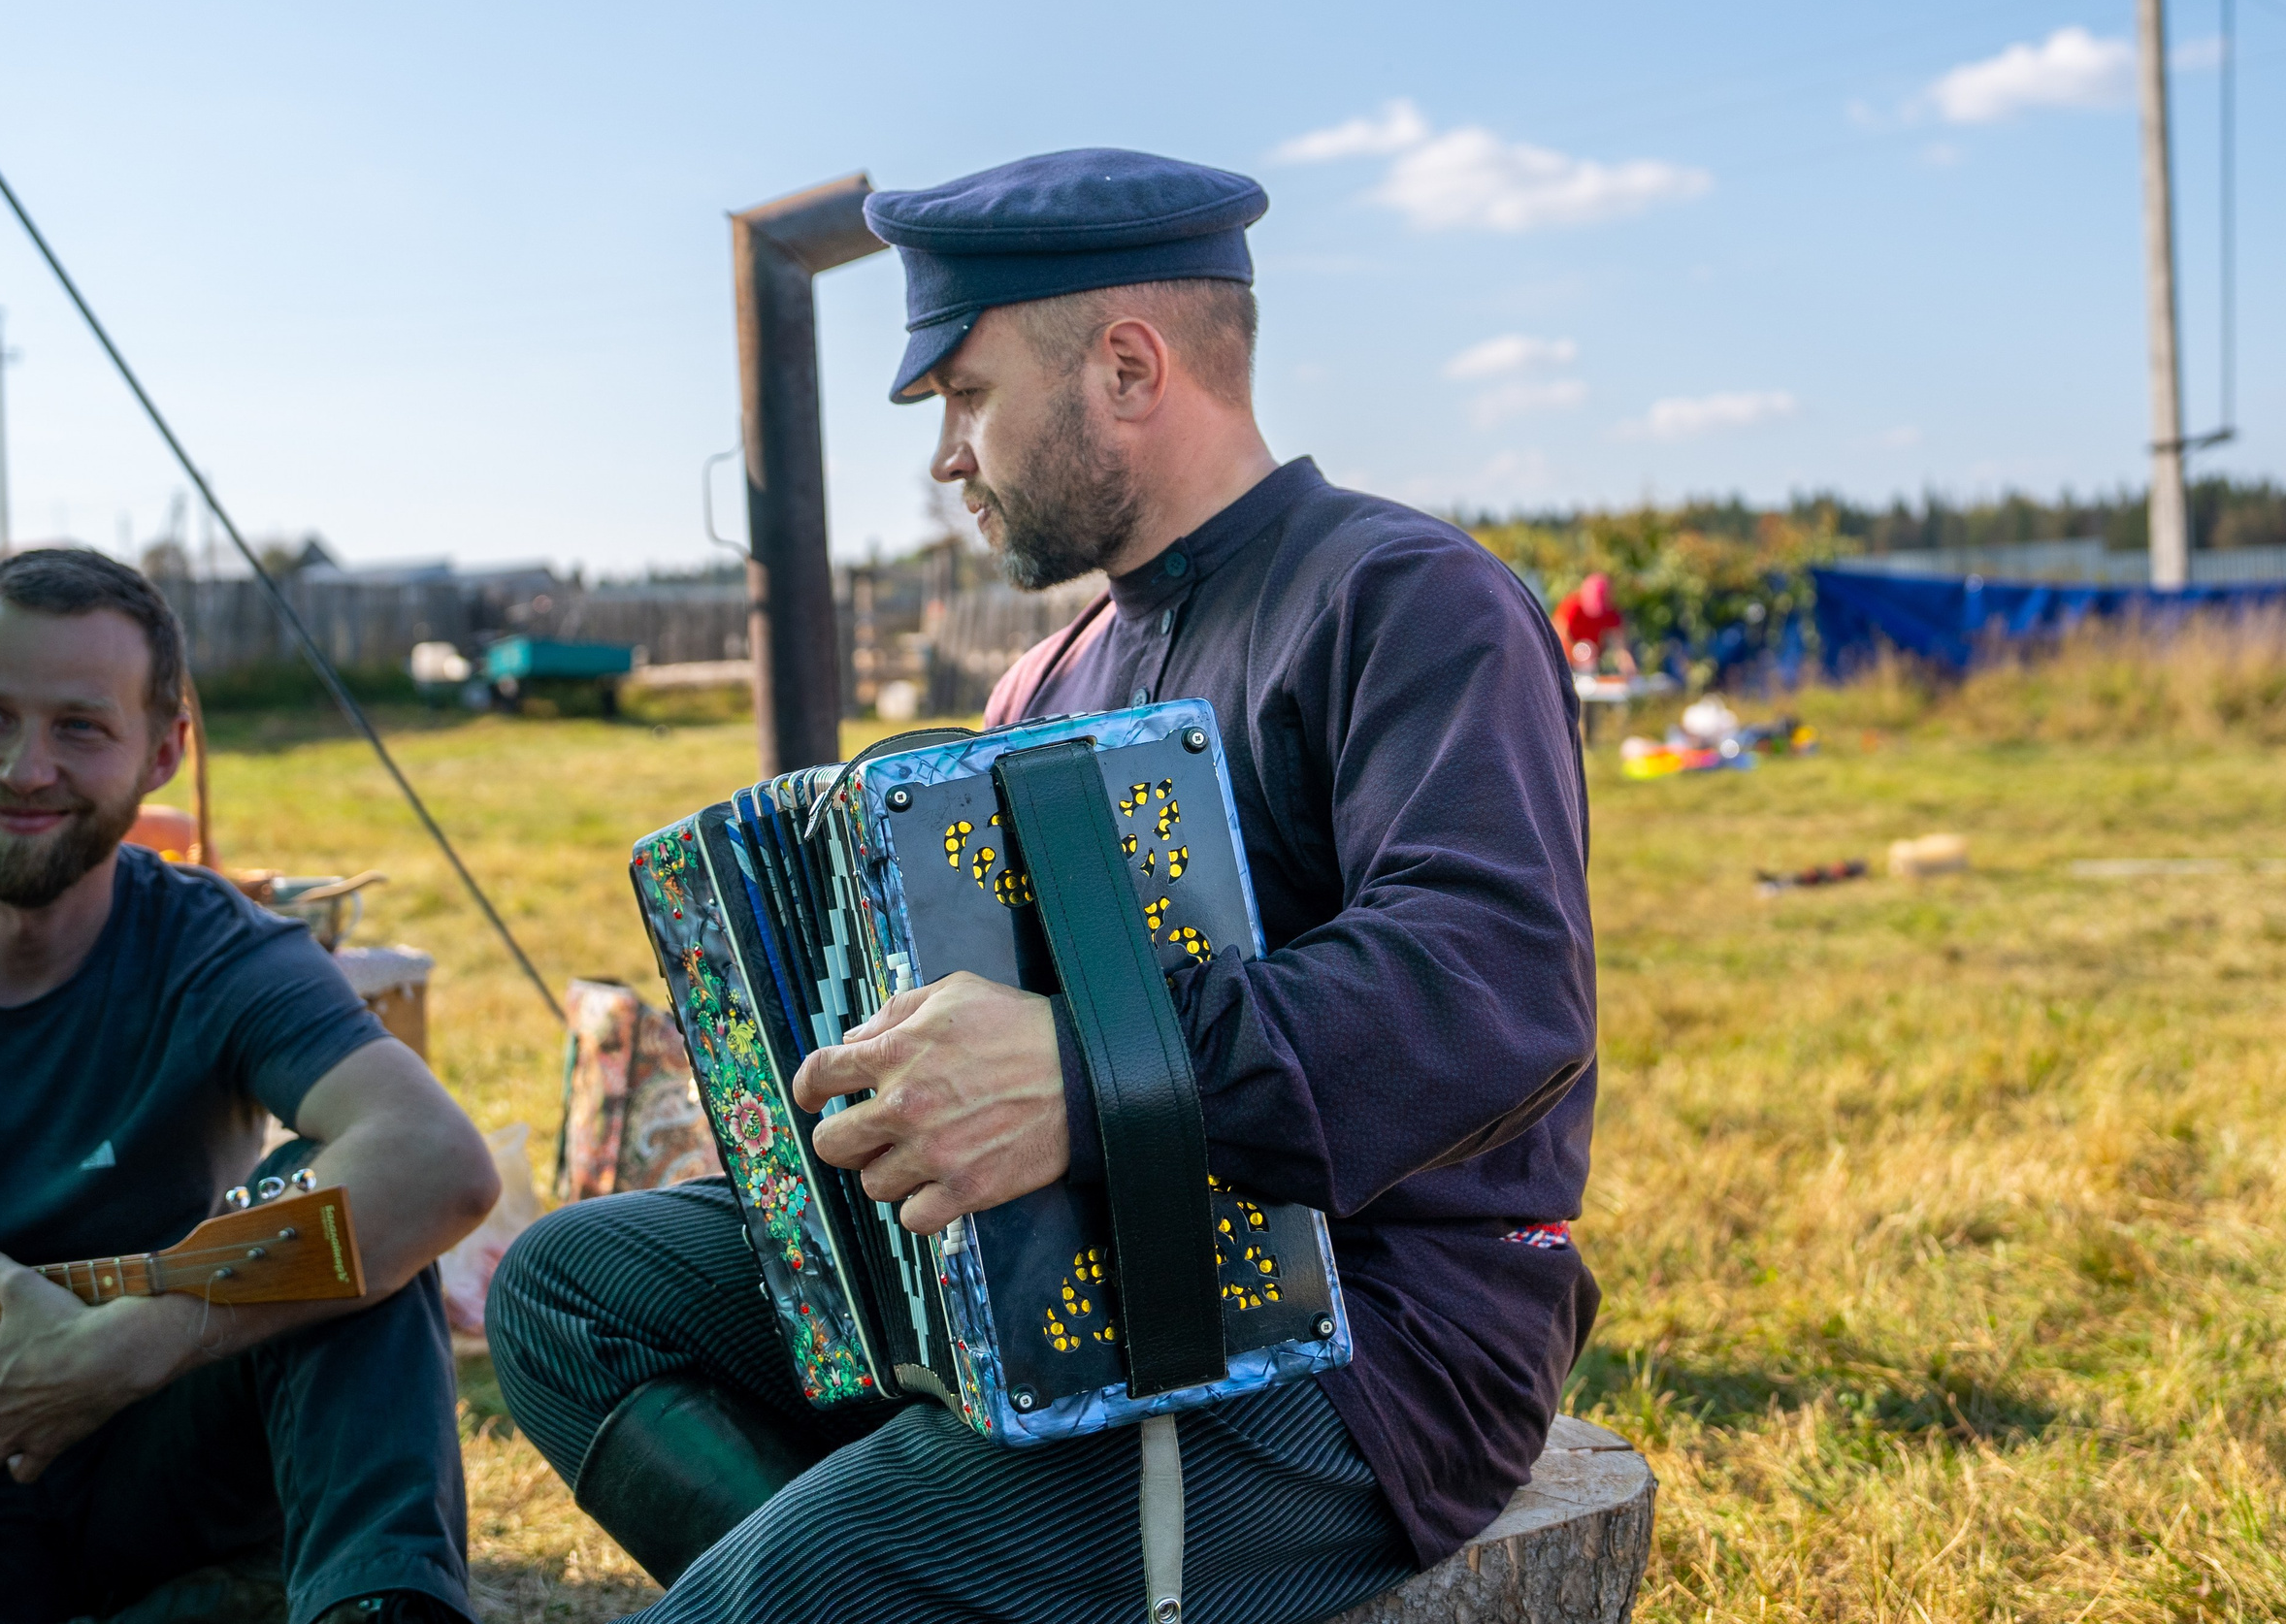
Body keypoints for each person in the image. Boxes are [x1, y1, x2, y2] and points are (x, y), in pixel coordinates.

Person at [487, 149, 1599, 1622]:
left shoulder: (1405, 600)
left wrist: (1091, 1075)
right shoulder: (1048, 675)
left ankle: (826, 1581)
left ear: (1127, 369)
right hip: (1060, 1272)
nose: (947, 455)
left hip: (1364, 1346)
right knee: (570, 1291)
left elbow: (1492, 992)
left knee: (797, 1584)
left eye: (965, 394)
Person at [0, 549, 501, 1624]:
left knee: (333, 1214)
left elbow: (436, 1162)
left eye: (80, 727)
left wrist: (154, 1335)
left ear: (164, 750)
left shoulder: (220, 950)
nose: (26, 769)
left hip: (181, 1455)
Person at [1554, 571, 1629, 673]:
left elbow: (1620, 646)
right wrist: (1577, 653)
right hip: (1565, 660)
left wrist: (1627, 667)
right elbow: (1558, 633)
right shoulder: (1571, 606)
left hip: (1592, 662)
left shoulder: (1611, 612)